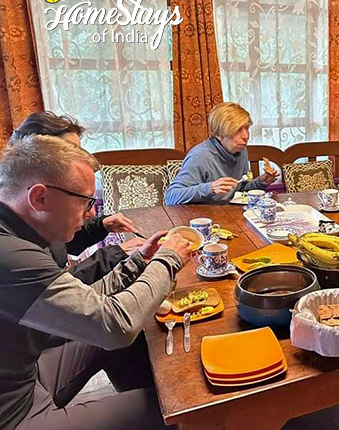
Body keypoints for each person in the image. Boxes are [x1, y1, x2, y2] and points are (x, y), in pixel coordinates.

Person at [0, 135, 192, 430]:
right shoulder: (11, 255)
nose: (92, 213)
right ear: (39, 197)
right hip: (16, 415)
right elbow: (115, 326)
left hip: (28, 379)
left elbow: (87, 303)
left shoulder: (16, 233)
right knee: (183, 408)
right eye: (85, 201)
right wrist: (167, 260)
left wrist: (137, 261)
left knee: (135, 342)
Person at [10, 112, 144, 281]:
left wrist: (100, 226)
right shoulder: (15, 246)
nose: (80, 160)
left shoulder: (36, 211)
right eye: (69, 153)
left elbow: (64, 245)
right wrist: (117, 253)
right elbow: (61, 290)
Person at [164, 102, 278, 205]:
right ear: (219, 134)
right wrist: (210, 188)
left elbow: (240, 190)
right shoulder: (200, 156)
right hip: (202, 219)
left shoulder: (241, 151)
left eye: (247, 128)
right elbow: (171, 197)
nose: (246, 136)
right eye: (238, 130)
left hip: (229, 215)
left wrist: (261, 182)